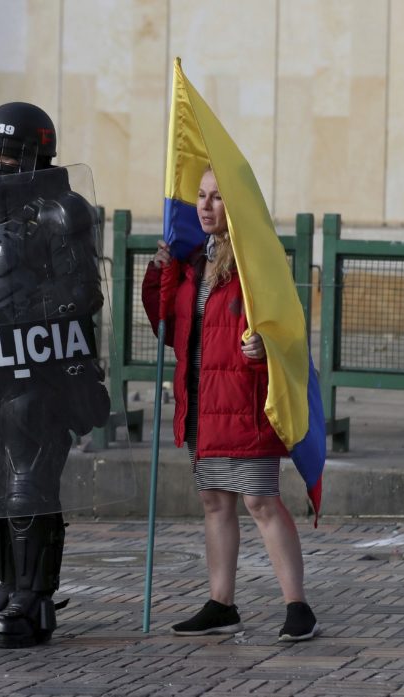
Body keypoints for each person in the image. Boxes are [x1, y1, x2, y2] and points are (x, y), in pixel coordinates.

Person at [0, 102, 110, 648]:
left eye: (0, 151)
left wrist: (11, 318)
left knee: (26, 487)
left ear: (27, 156)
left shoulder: (63, 211)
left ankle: (34, 598)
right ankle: (5, 586)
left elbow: (84, 293)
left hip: (42, 374)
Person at [142, 167, 319, 642]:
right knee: (214, 501)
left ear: (235, 204)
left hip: (243, 400)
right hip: (201, 398)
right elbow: (167, 323)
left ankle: (297, 605)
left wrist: (266, 346)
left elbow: (287, 325)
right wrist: (159, 272)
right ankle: (221, 603)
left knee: (260, 499)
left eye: (216, 198)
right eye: (200, 196)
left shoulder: (255, 259)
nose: (204, 206)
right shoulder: (192, 258)